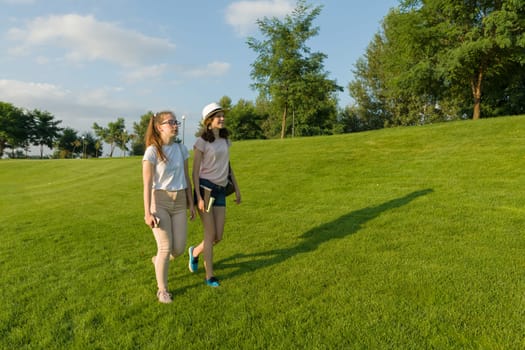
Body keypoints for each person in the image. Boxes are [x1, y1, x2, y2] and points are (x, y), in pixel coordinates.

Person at [142, 111, 195, 303]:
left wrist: (191, 203)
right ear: (159, 127)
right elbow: (147, 184)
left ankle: (158, 261)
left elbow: (187, 178)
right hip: (160, 201)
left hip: (180, 201)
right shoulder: (152, 151)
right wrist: (147, 212)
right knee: (165, 247)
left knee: (178, 249)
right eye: (170, 122)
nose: (175, 125)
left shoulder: (182, 149)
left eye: (175, 122)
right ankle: (162, 290)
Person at [188, 102, 241, 287]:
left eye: (223, 115)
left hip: (220, 191)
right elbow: (194, 172)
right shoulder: (201, 142)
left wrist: (237, 188)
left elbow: (228, 165)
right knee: (210, 235)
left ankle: (194, 252)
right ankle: (209, 276)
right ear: (209, 120)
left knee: (218, 236)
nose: (222, 118)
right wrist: (199, 198)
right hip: (206, 191)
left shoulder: (225, 140)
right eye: (218, 116)